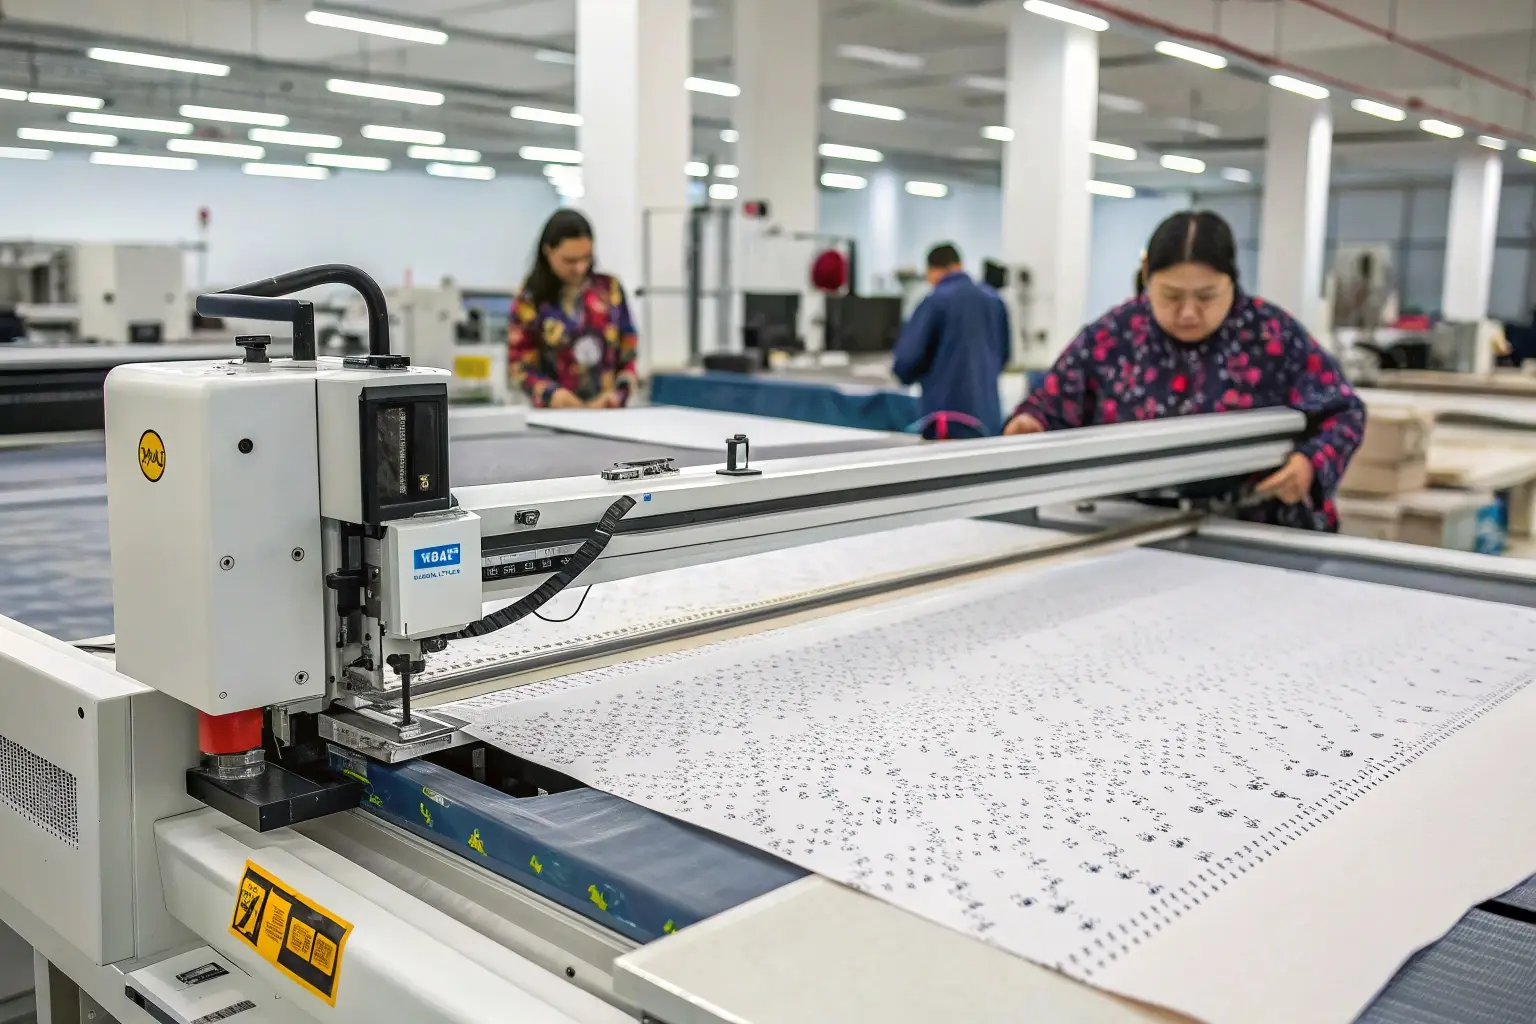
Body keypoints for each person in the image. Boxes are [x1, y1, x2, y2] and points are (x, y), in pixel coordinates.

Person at [1003, 210, 1365, 532]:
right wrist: (1031, 424)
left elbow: (1344, 411)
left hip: (1257, 528)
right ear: (1147, 279)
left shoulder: (1271, 336)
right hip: (1132, 528)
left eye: (1206, 296)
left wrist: (1310, 463)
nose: (1188, 313)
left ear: (1232, 281)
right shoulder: (1112, 338)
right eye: (1171, 296)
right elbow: (1050, 406)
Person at [508, 209, 638, 409]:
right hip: (553, 415)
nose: (580, 268)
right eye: (570, 261)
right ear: (548, 251)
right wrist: (551, 394)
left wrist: (618, 394)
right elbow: (519, 366)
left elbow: (628, 354)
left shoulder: (609, 290)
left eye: (586, 258)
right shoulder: (530, 300)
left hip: (607, 414)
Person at [892, 243, 1010, 438]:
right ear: (959, 265)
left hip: (947, 423)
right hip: (989, 420)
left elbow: (906, 360)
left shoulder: (934, 301)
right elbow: (1004, 356)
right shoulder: (995, 301)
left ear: (932, 271)